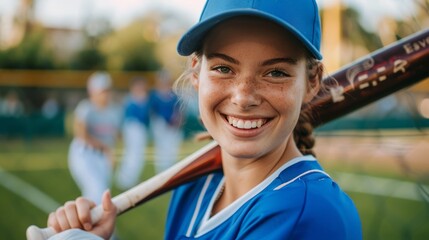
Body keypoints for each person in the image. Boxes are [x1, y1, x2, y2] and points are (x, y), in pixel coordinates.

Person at [47, 1, 362, 239]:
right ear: (196, 71)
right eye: (224, 68)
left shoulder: (311, 216)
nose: (243, 96)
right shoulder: (196, 184)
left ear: (312, 81)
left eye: (275, 72)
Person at [68, 71, 122, 205]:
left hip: (102, 157)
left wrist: (114, 152)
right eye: (103, 90)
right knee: (96, 191)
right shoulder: (86, 108)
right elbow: (81, 135)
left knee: (102, 194)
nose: (106, 94)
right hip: (84, 154)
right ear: (92, 91)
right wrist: (106, 148)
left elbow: (116, 136)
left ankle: (92, 224)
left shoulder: (115, 110)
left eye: (108, 90)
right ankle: (91, 223)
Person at [115, 77, 151, 190]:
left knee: (137, 155)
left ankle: (129, 179)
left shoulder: (144, 100)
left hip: (141, 130)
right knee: (132, 154)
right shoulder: (130, 100)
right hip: (132, 129)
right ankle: (124, 180)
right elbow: (126, 118)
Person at [150, 69, 183, 173]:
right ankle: (161, 171)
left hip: (172, 126)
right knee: (161, 149)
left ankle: (171, 171)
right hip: (160, 125)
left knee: (172, 149)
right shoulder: (154, 95)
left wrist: (177, 120)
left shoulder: (174, 95)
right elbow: (152, 112)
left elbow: (179, 110)